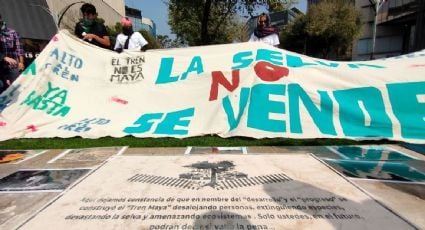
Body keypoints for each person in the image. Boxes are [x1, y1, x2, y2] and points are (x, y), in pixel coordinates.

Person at [0, 14, 24, 94]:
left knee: (14, 88)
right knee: (2, 86)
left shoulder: (12, 32)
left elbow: (19, 49)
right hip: (1, 66)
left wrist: (21, 62)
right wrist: (4, 57)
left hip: (12, 66)